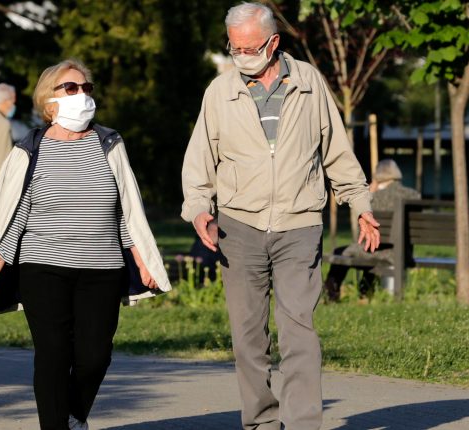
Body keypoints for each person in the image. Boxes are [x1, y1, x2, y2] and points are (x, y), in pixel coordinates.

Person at [181, 3, 380, 429]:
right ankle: (261, 422)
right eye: (234, 49)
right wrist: (199, 211)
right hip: (239, 226)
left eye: (249, 48)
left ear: (273, 43)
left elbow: (337, 152)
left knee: (299, 332)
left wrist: (360, 204)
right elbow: (199, 163)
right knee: (249, 338)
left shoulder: (309, 82)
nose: (241, 56)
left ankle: (303, 423)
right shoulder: (219, 91)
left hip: (299, 223)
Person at [0, 59, 171, 430]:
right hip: (43, 267)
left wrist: (142, 259)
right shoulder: (30, 149)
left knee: (95, 356)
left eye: (86, 88)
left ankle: (72, 415)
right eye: (71, 88)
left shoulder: (109, 143)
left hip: (102, 268)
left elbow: (123, 209)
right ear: (48, 100)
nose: (82, 95)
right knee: (52, 354)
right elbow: (14, 217)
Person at [324, 159, 420, 301]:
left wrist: (370, 191)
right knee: (370, 248)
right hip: (404, 253)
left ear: (378, 176)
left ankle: (331, 296)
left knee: (342, 252)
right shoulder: (414, 195)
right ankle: (365, 292)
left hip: (382, 253)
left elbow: (363, 229)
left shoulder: (374, 197)